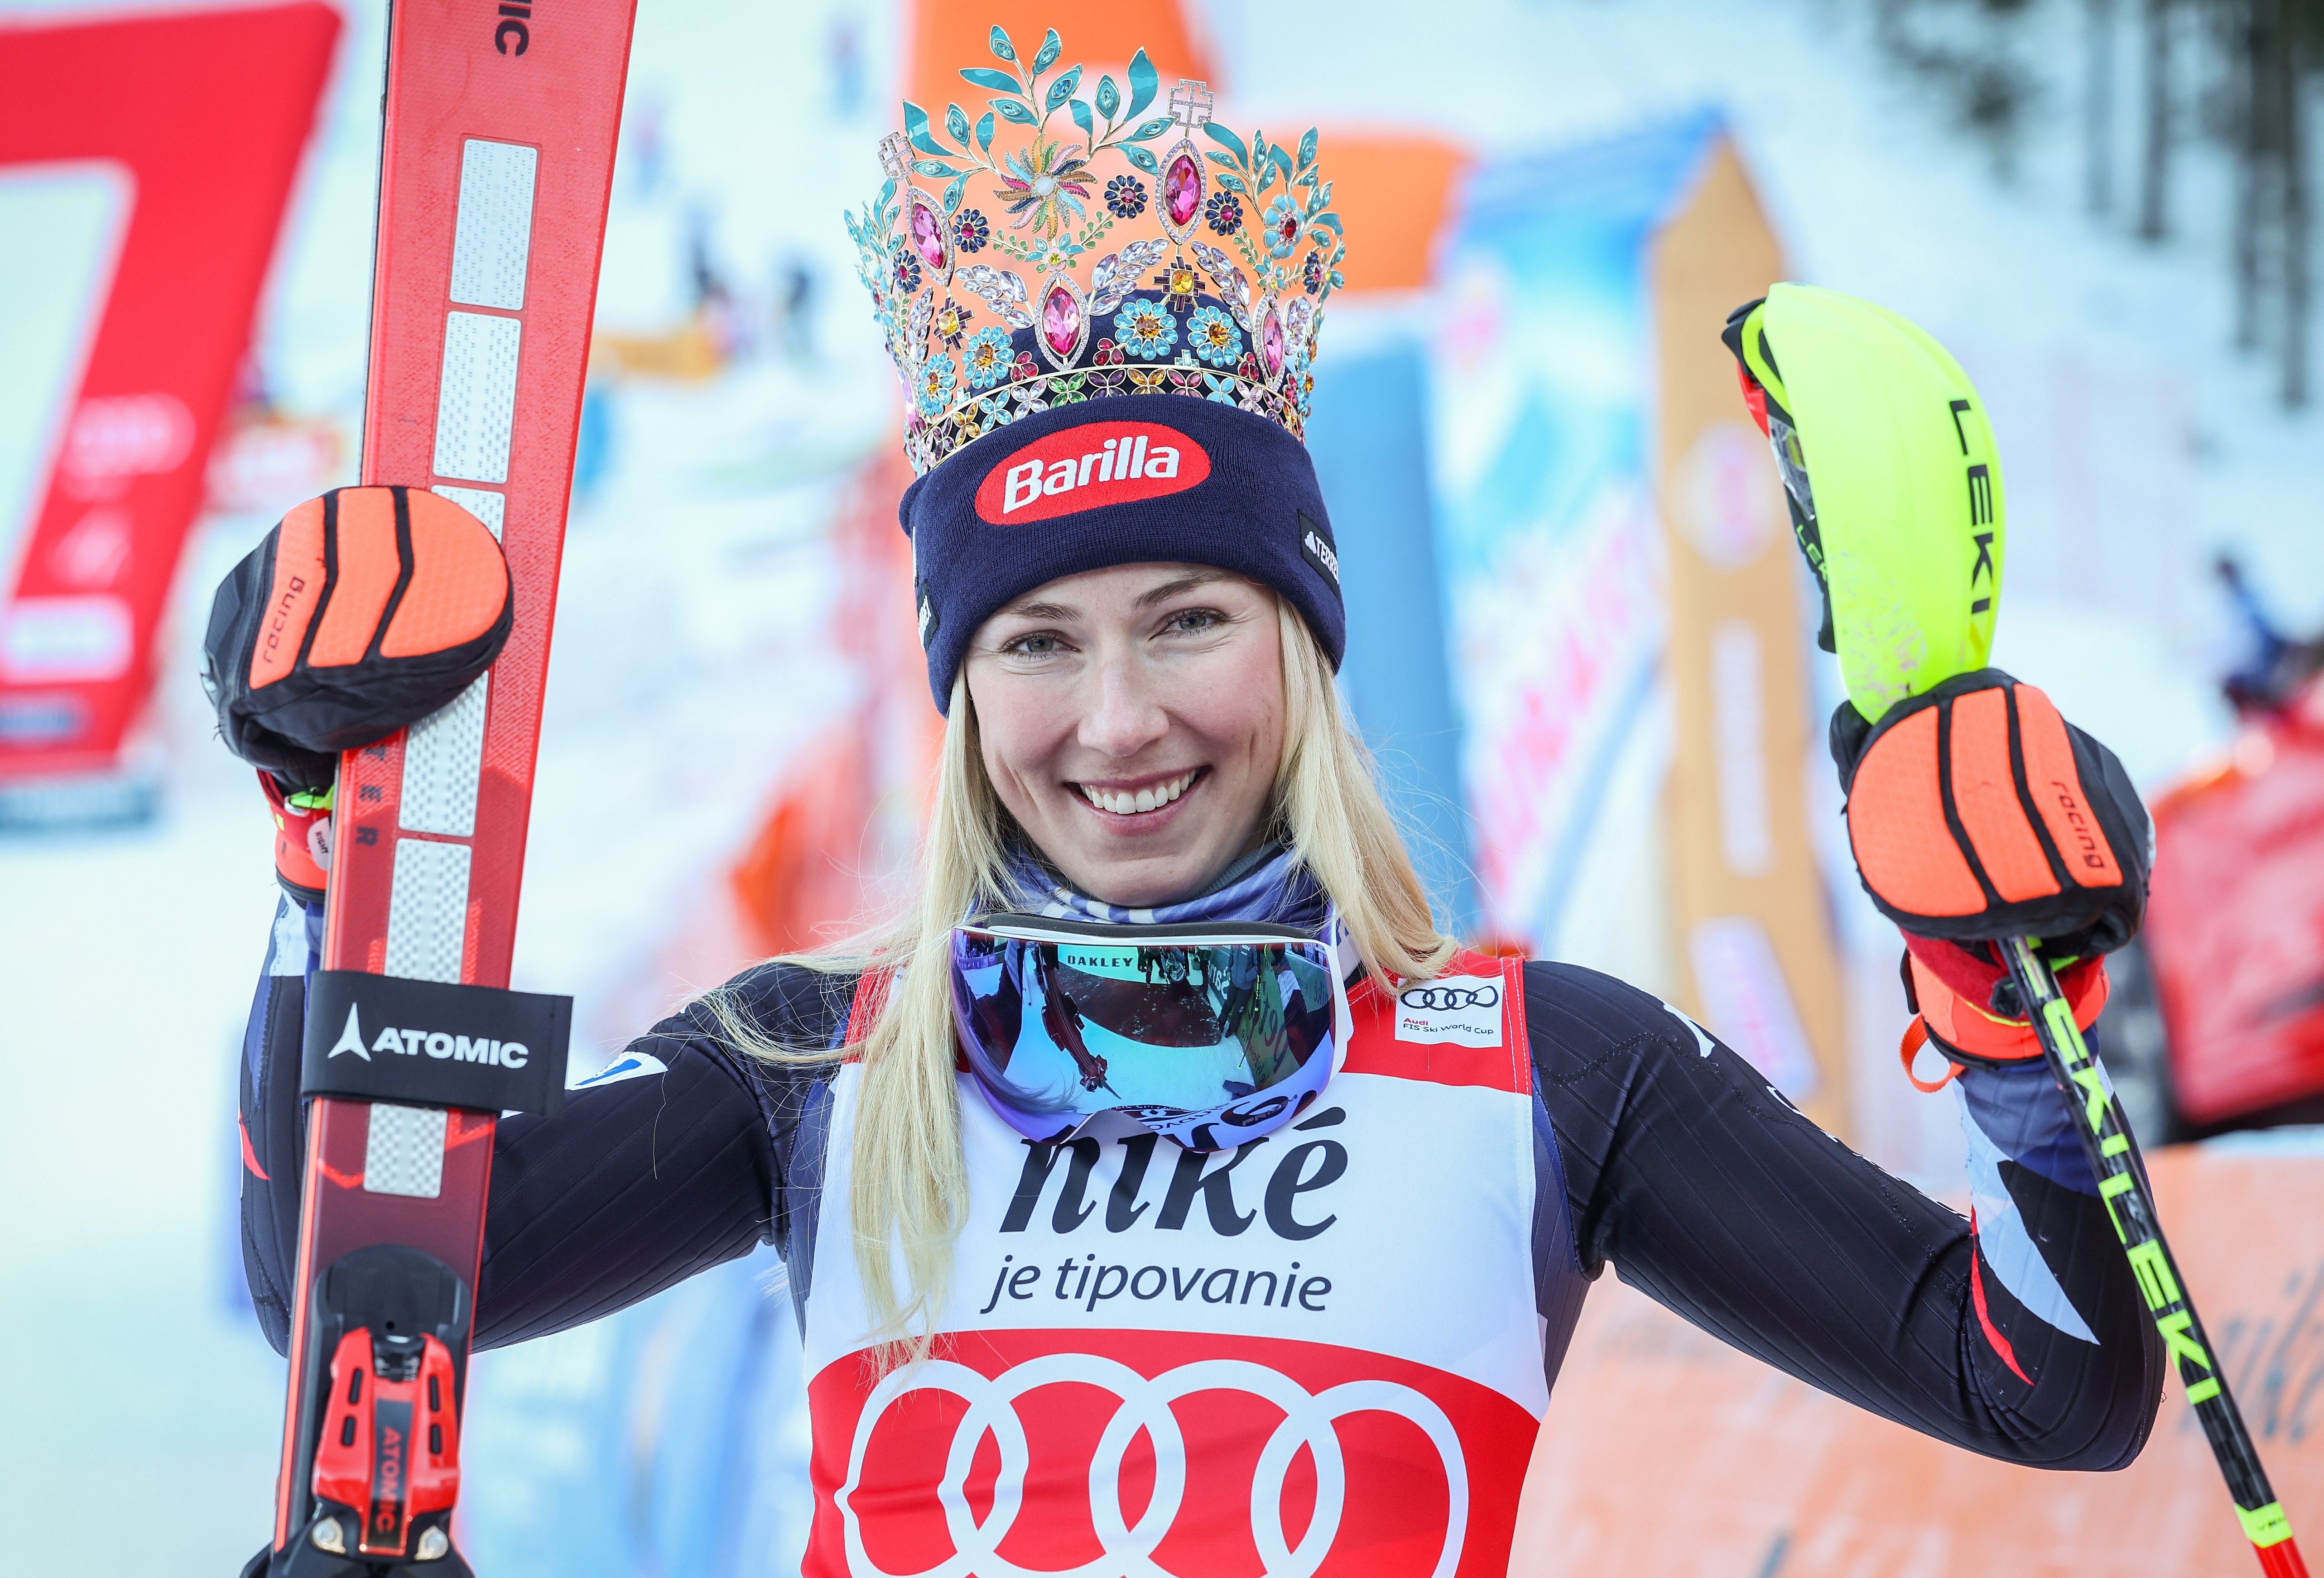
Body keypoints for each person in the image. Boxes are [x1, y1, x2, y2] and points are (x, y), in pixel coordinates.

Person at [219, 33, 2164, 1576]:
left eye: (1187, 618)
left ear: (1302, 645)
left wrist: (2006, 1019)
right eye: (1036, 642)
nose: (1118, 718)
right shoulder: (814, 1061)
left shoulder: (1548, 1067)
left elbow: (2049, 1385)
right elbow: (345, 1271)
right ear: (961, 688)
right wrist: (335, 852)